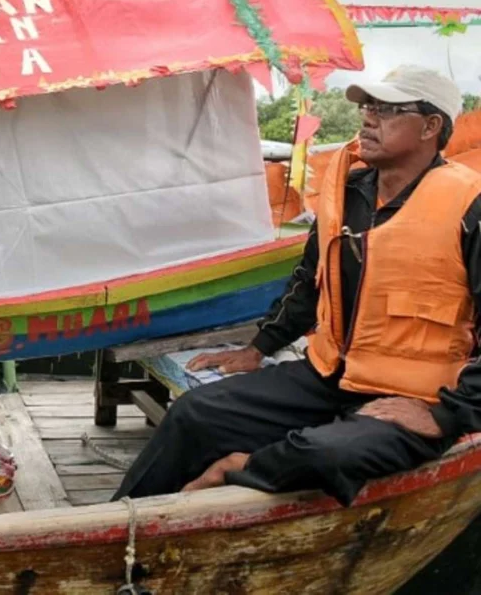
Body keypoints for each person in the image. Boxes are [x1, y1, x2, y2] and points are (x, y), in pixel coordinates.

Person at [112, 65, 481, 507]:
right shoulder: (348, 191)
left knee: (329, 452)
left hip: (412, 394)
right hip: (328, 375)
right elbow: (310, 282)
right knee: (196, 412)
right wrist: (258, 348)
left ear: (431, 126)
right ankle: (117, 529)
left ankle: (241, 467)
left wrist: (444, 415)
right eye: (367, 107)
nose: (367, 118)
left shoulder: (470, 205)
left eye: (385, 109)